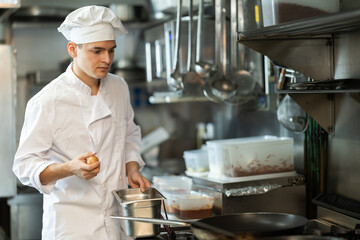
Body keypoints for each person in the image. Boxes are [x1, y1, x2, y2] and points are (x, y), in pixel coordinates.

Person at [13, 5, 151, 240]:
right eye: (97, 51)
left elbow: (129, 132)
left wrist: (132, 166)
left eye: (111, 51)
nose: (106, 59)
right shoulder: (47, 101)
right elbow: (24, 166)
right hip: (72, 226)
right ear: (73, 49)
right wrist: (69, 168)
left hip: (116, 219)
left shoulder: (119, 87)